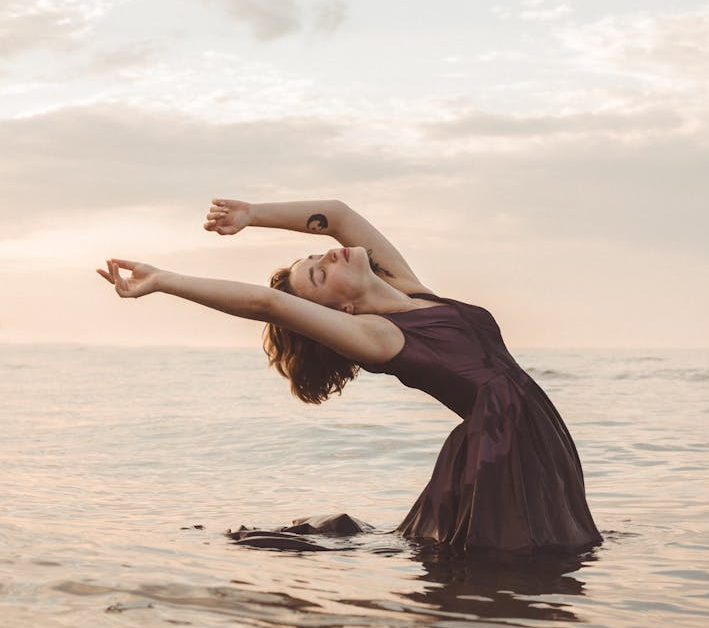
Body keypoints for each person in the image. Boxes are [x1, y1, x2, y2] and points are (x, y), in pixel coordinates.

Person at [97, 197, 602, 557]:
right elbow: (266, 302)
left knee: (544, 552)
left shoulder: (411, 290)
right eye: (317, 274)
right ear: (340, 309)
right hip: (502, 445)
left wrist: (253, 216)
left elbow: (337, 215)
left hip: (533, 427)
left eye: (313, 258)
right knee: (517, 565)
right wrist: (163, 280)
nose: (324, 255)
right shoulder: (380, 338)